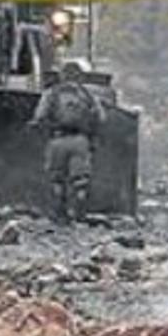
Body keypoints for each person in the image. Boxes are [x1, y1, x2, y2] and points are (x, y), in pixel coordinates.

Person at [31, 60, 106, 223]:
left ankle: (60, 215)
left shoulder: (51, 93)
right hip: (81, 141)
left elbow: (39, 117)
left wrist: (38, 127)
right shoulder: (88, 95)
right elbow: (101, 117)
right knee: (80, 181)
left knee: (57, 179)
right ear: (80, 76)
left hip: (57, 140)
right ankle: (80, 214)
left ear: (61, 75)